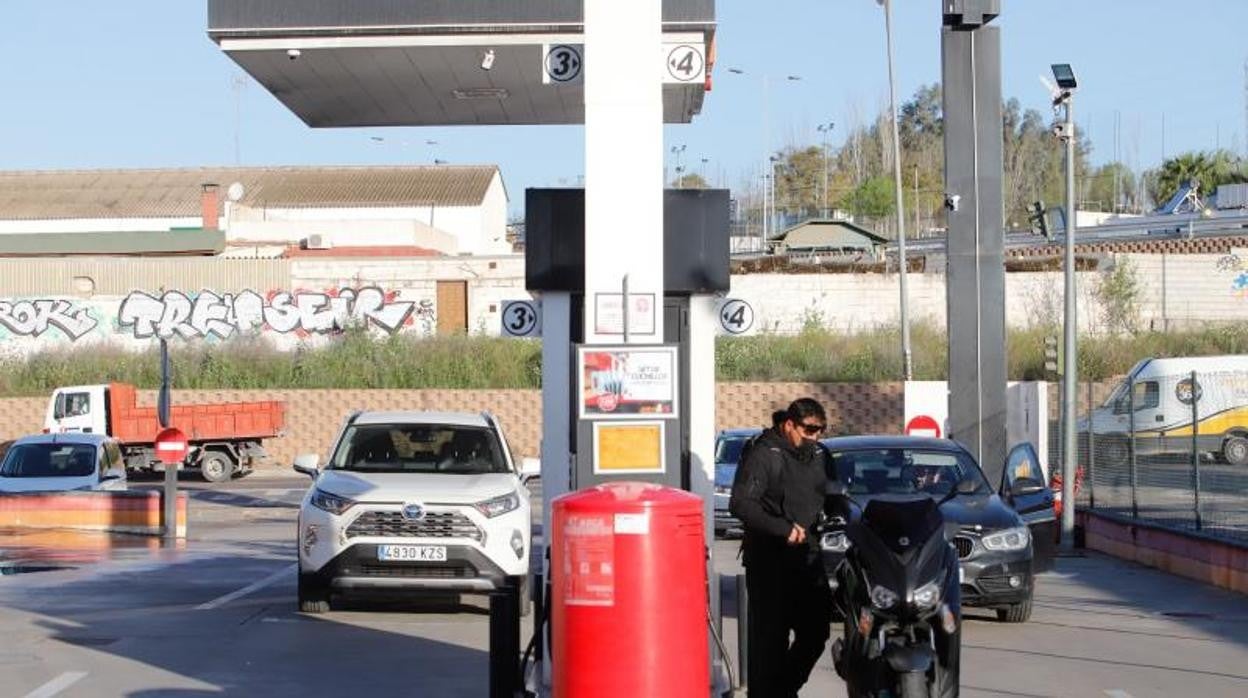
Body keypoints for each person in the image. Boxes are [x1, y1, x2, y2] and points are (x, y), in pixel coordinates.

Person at [729, 398, 832, 698]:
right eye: (809, 430)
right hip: (769, 561)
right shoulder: (765, 453)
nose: (815, 437)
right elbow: (741, 503)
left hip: (809, 559)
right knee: (770, 643)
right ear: (789, 425)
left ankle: (782, 691)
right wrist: (783, 529)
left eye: (820, 431)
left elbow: (834, 497)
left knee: (815, 633)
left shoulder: (821, 455)